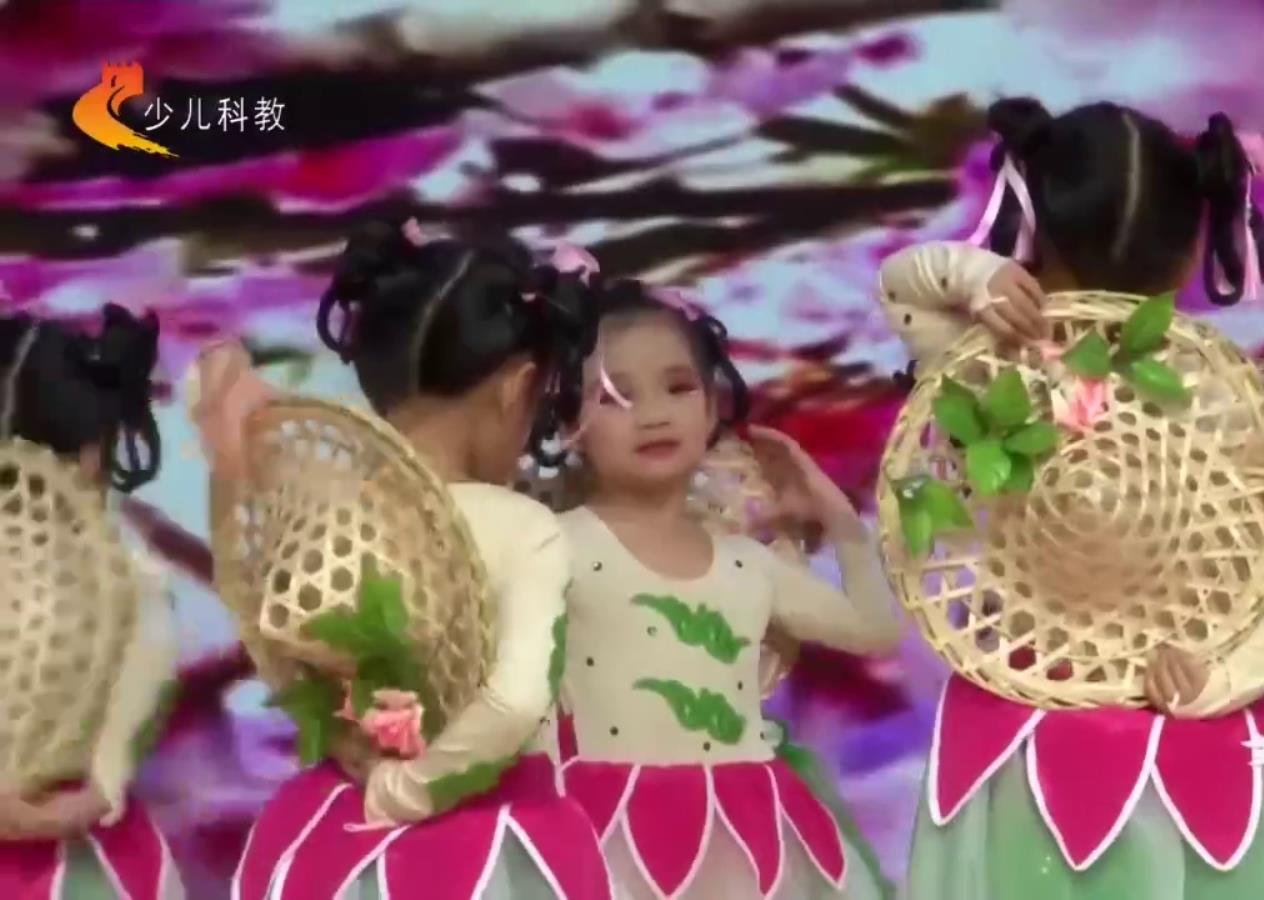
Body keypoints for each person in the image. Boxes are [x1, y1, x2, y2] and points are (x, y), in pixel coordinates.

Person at [878, 98, 1264, 898]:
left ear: (1028, 231)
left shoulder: (988, 369)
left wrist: (974, 276)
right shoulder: (1216, 399)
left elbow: (903, 286)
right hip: (1190, 727)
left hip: (1027, 727)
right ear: (1192, 252)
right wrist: (1231, 677)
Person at [198, 220, 611, 899]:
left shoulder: (326, 512)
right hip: (486, 840)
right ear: (517, 388)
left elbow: (293, 664)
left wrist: (355, 749)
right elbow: (514, 704)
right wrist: (409, 789)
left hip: (334, 826)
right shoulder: (523, 527)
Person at [535, 275, 901, 899]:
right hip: (606, 842)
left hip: (747, 840)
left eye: (678, 387)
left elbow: (875, 632)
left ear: (710, 407)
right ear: (569, 422)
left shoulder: (746, 564)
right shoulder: (554, 546)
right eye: (616, 396)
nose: (653, 414)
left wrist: (838, 517)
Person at [0, 306, 182, 900]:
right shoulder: (133, 579)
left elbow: (138, 697)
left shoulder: (130, 579)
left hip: (86, 857)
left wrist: (94, 793)